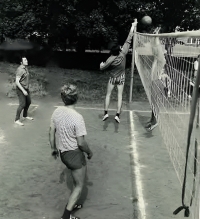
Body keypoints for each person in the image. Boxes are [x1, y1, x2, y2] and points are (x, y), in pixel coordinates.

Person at [49, 84, 93, 219]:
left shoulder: (57, 111)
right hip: (74, 155)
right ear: (77, 97)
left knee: (75, 181)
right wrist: (89, 152)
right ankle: (66, 216)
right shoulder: (77, 117)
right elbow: (81, 143)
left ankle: (72, 204)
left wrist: (53, 149)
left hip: (63, 154)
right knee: (79, 186)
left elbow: (51, 132)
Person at [100, 19, 138, 123]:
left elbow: (102, 67)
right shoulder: (124, 52)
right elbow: (129, 38)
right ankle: (117, 115)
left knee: (108, 94)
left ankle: (106, 114)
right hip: (121, 77)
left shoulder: (110, 59)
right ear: (119, 49)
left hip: (112, 78)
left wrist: (101, 64)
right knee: (119, 95)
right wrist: (133, 26)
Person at [15, 56, 33, 126]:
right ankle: (16, 120)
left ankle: (25, 115)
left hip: (26, 88)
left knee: (28, 102)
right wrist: (23, 90)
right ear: (21, 62)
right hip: (20, 89)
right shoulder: (20, 70)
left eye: (26, 59)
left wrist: (26, 88)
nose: (27, 61)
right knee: (22, 104)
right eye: (25, 60)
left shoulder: (25, 68)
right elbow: (17, 82)